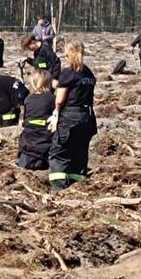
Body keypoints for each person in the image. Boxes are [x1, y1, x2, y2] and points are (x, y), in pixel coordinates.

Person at [47, 39, 97, 190]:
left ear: (69, 53)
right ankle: (78, 185)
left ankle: (58, 188)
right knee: (79, 151)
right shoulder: (88, 73)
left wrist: (56, 114)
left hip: (70, 115)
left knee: (59, 151)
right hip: (87, 116)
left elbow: (60, 99)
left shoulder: (68, 73)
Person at [18, 70, 55, 170]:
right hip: (45, 140)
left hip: (28, 140)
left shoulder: (28, 99)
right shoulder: (52, 99)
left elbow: (25, 118)